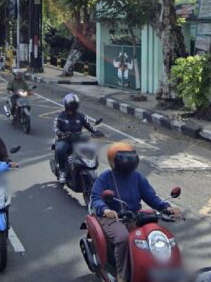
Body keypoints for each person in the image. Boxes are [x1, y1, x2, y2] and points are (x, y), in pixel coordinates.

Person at [91, 143, 181, 282]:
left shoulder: (137, 177)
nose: (127, 162)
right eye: (123, 159)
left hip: (133, 214)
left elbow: (151, 197)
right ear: (113, 161)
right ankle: (121, 275)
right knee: (122, 237)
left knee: (154, 234)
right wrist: (105, 210)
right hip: (113, 217)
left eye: (130, 159)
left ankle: (154, 267)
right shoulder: (105, 177)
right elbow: (96, 198)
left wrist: (166, 207)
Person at [54, 93, 99, 182]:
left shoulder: (81, 116)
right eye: (71, 108)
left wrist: (96, 131)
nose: (72, 110)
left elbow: (89, 125)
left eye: (74, 107)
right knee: (60, 149)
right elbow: (55, 127)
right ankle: (62, 170)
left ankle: (90, 167)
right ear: (66, 106)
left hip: (78, 139)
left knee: (91, 149)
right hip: (65, 139)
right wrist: (60, 133)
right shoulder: (60, 116)